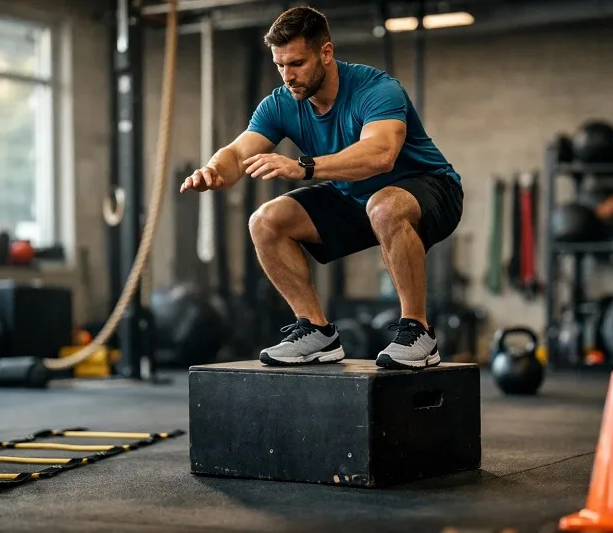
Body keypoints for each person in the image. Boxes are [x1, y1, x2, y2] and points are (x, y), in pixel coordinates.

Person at [180, 6, 463, 370]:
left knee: (384, 205)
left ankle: (418, 332)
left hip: (431, 189)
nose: (288, 76)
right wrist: (214, 171)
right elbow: (237, 153)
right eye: (280, 65)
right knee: (266, 221)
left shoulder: (377, 89)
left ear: (325, 53)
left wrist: (304, 167)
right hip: (356, 196)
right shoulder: (281, 103)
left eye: (296, 63)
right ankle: (316, 332)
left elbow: (381, 155)